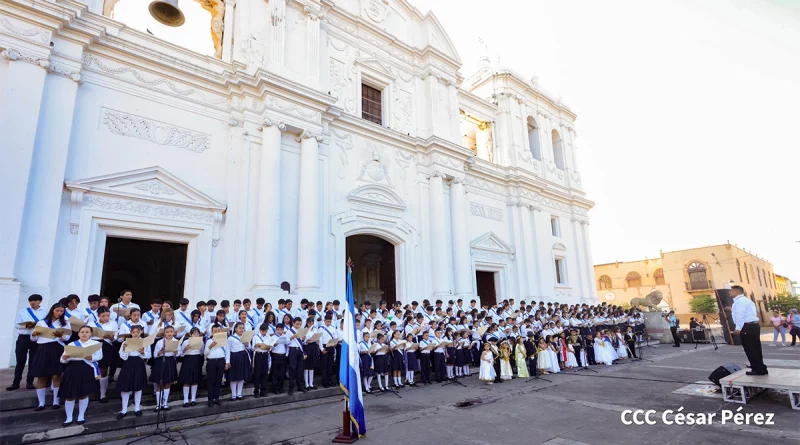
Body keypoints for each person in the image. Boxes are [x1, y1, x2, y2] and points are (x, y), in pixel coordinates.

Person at [30, 302, 72, 411]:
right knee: (41, 376)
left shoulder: (65, 323)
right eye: (57, 310)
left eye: (62, 311)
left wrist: (61, 335)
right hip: (43, 349)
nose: (59, 313)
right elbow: (33, 339)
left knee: (56, 375)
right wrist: (33, 334)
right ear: (52, 310)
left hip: (57, 348)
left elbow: (67, 338)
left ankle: (56, 402)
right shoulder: (42, 322)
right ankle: (41, 403)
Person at [59, 325, 103, 426]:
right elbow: (62, 360)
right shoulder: (72, 344)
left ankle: (81, 415)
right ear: (78, 333)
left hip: (87, 369)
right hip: (72, 369)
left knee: (84, 393)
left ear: (91, 334)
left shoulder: (95, 344)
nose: (84, 334)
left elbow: (99, 356)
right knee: (70, 395)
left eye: (87, 332)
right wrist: (65, 357)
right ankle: (69, 417)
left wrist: (91, 356)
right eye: (82, 332)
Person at [8, 294, 47, 391]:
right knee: (20, 361)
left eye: (35, 301)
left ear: (40, 301)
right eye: (30, 301)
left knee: (33, 361)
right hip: (23, 337)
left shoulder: (45, 312)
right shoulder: (23, 311)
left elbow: (47, 324)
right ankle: (15, 383)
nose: (32, 303)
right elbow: (17, 325)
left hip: (37, 338)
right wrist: (26, 326)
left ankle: (30, 382)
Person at [730, 285, 767, 375]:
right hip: (752, 326)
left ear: (736, 291)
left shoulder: (740, 301)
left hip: (746, 326)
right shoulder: (745, 300)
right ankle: (760, 367)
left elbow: (740, 315)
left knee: (750, 348)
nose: (729, 292)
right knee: (755, 348)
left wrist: (738, 328)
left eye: (731, 291)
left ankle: (757, 369)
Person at [117, 325, 150, 419]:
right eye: (133, 332)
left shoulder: (144, 342)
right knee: (125, 387)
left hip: (139, 363)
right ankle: (124, 410)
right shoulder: (125, 342)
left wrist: (143, 352)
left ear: (141, 332)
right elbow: (122, 357)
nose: (135, 334)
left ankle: (137, 408)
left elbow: (149, 355)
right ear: (131, 333)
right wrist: (124, 349)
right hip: (128, 364)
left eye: (137, 332)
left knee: (138, 387)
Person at [150, 325, 179, 411]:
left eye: (171, 332)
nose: (169, 333)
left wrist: (176, 352)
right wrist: (161, 351)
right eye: (167, 332)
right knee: (160, 383)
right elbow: (155, 355)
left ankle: (165, 403)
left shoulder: (176, 341)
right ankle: (158, 404)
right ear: (164, 333)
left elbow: (179, 354)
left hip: (170, 361)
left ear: (173, 332)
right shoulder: (160, 342)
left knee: (168, 383)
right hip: (161, 362)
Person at [204, 323, 230, 406]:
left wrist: (227, 362)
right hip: (211, 362)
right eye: (215, 331)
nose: (217, 332)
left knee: (219, 380)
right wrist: (210, 346)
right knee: (211, 381)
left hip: (221, 361)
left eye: (219, 331)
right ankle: (210, 399)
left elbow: (227, 352)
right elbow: (205, 353)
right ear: (212, 332)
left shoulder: (224, 341)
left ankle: (216, 398)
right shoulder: (209, 341)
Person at [177, 327, 204, 407]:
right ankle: (185, 400)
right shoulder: (186, 341)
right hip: (187, 359)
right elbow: (181, 353)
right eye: (194, 333)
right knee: (186, 380)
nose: (196, 335)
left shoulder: (201, 342)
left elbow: (201, 352)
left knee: (195, 380)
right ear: (190, 334)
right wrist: (185, 349)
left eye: (197, 334)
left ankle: (193, 399)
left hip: (196, 359)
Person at [227, 322, 252, 401]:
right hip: (234, 357)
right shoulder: (231, 338)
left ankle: (239, 393)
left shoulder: (245, 337)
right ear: (235, 329)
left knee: (241, 376)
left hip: (243, 357)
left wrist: (247, 344)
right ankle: (233, 394)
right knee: (234, 377)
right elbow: (228, 350)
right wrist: (227, 361)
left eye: (242, 328)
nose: (241, 330)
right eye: (239, 328)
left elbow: (249, 348)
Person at [285, 317, 307, 395]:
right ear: (293, 323)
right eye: (297, 324)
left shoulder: (301, 331)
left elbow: (303, 343)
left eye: (300, 324)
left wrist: (303, 339)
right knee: (292, 369)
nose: (298, 326)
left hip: (299, 350)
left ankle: (300, 386)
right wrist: (291, 337)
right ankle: (291, 388)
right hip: (293, 350)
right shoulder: (289, 331)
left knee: (300, 369)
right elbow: (286, 342)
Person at [251, 324, 272, 398]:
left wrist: (269, 347)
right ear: (260, 330)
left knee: (265, 373)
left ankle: (264, 390)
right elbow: (252, 348)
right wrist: (256, 345)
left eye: (265, 331)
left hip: (265, 354)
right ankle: (256, 391)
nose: (264, 333)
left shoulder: (268, 337)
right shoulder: (256, 337)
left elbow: (270, 346)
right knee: (257, 373)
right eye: (263, 331)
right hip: (258, 354)